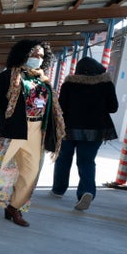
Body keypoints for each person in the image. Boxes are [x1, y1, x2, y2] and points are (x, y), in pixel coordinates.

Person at [0, 39, 65, 227]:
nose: (37, 59)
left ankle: (14, 208)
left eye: (41, 56)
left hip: (36, 132)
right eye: (34, 55)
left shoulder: (42, 80)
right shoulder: (9, 76)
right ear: (23, 55)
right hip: (10, 132)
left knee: (30, 174)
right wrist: (4, 122)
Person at [51, 56, 118, 210]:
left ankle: (58, 189)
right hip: (95, 130)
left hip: (70, 128)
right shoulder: (105, 84)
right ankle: (86, 191)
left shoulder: (69, 83)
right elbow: (113, 107)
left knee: (63, 158)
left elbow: (62, 108)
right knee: (87, 161)